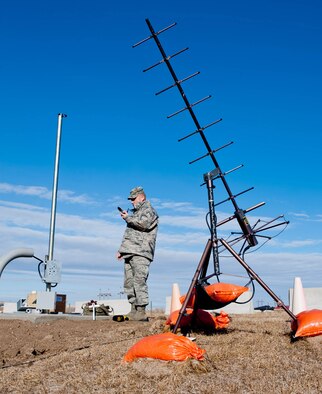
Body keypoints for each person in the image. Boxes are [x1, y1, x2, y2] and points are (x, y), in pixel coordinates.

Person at [117, 186, 158, 321]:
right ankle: (133, 309)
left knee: (139, 281)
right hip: (130, 251)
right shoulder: (135, 213)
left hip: (141, 252)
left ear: (142, 197)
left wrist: (128, 218)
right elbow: (131, 234)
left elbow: (143, 225)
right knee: (129, 282)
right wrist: (121, 250)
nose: (131, 202)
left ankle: (141, 311)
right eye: (130, 199)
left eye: (133, 199)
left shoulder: (149, 210)